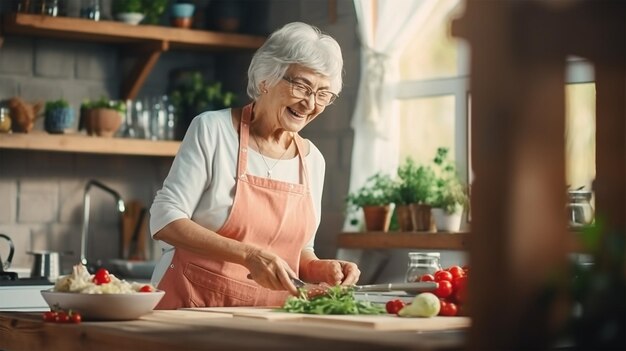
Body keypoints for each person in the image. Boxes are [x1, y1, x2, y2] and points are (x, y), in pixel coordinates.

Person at [150, 22, 361, 309]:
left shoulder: (312, 160)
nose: (310, 103)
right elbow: (165, 219)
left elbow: (300, 253)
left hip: (266, 318)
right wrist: (249, 255)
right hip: (192, 306)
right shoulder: (213, 130)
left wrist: (320, 268)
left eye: (323, 93)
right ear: (266, 80)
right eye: (302, 86)